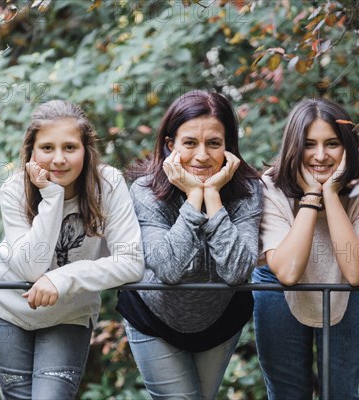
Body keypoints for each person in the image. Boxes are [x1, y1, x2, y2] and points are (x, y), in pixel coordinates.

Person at [0, 100, 144, 399]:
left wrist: (61, 279)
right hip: (7, 309)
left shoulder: (107, 184)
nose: (58, 159)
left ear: (86, 149)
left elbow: (131, 261)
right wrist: (52, 196)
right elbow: (31, 269)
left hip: (69, 314)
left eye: (70, 148)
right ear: (31, 151)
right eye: (47, 148)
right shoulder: (15, 188)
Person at [116, 90, 262, 400]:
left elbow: (237, 271)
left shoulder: (248, 191)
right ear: (171, 145)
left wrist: (212, 196)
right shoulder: (145, 192)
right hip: (154, 316)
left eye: (214, 143)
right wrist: (195, 197)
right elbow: (169, 269)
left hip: (219, 320)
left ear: (229, 148)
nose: (201, 156)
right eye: (190, 143)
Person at [253, 98, 359, 399]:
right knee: (287, 393)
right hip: (279, 281)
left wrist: (331, 193)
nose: (321, 155)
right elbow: (286, 271)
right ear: (294, 146)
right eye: (310, 144)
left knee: (339, 391)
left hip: (348, 281)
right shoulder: (271, 185)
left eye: (332, 144)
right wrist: (312, 196)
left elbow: (355, 271)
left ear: (347, 146)